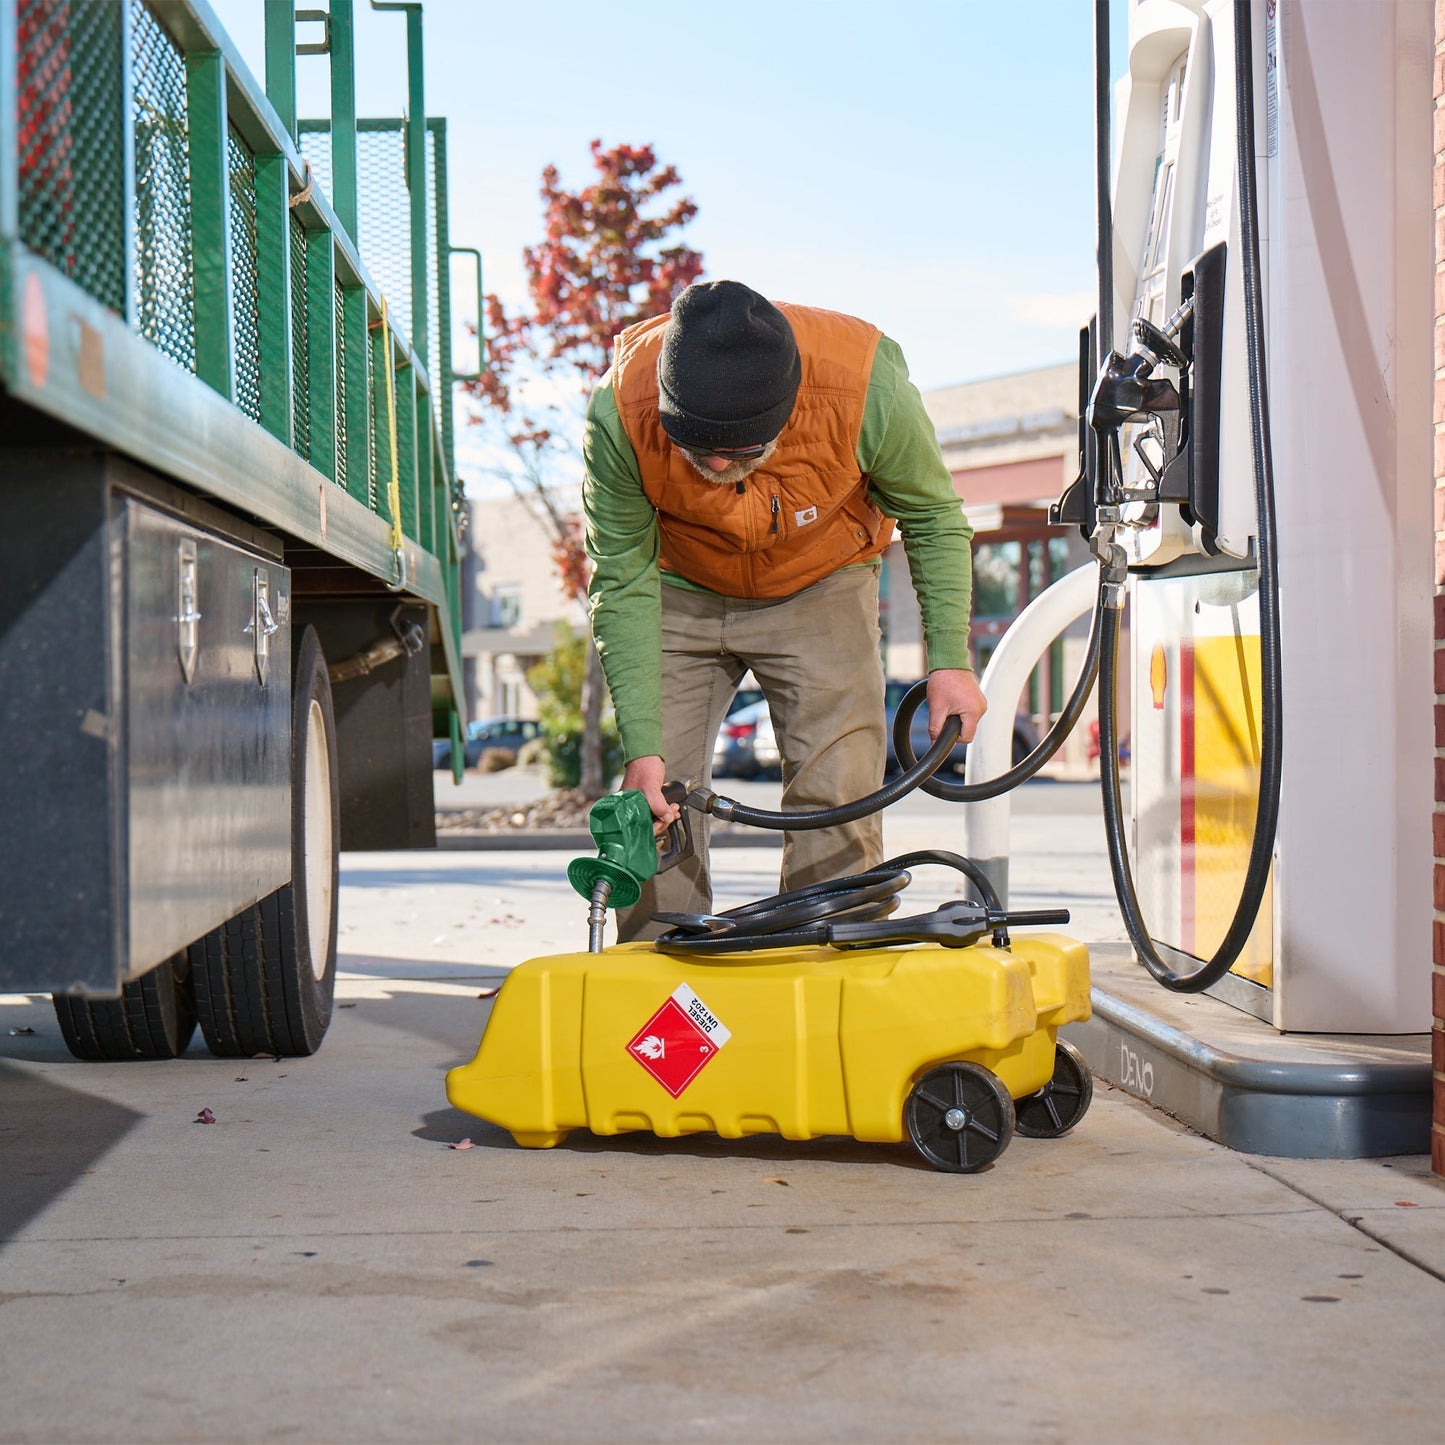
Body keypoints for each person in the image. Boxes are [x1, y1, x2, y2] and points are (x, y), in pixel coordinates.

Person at [582, 279, 986, 940]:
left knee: (837, 794)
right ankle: (658, 983)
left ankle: (823, 974)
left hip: (820, 577)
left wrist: (948, 660)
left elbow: (935, 517)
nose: (713, 463)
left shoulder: (861, 385)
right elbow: (620, 575)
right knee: (654, 800)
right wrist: (644, 747)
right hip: (677, 586)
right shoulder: (619, 407)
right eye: (694, 447)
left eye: (736, 450)